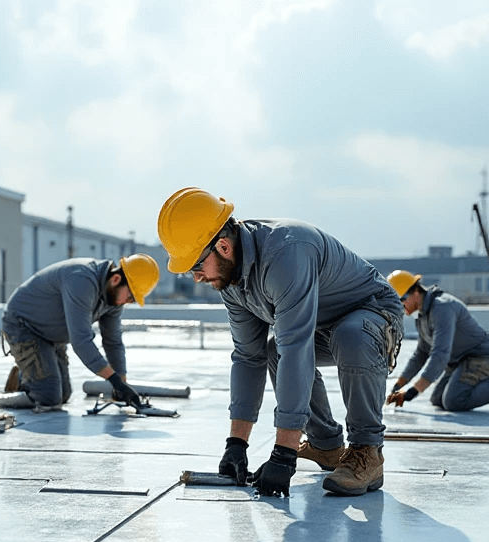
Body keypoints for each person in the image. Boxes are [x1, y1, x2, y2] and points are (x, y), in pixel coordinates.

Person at [157, 187, 404, 497]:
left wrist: (284, 455)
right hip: (321, 324)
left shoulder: (286, 253)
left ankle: (367, 451)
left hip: (372, 313)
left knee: (349, 335)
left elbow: (297, 348)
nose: (196, 278)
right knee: (273, 352)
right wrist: (236, 444)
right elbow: (248, 357)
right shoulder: (231, 280)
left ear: (222, 246)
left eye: (195, 266)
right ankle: (326, 445)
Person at [1, 254, 160, 408]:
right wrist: (114, 381)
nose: (128, 302)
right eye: (131, 296)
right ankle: (9, 392)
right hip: (23, 325)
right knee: (48, 397)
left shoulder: (113, 298)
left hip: (51, 335)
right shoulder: (82, 280)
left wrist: (122, 383)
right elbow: (81, 341)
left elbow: (113, 342)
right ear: (116, 279)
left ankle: (28, 374)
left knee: (63, 395)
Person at [385, 270, 489, 412]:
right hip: (460, 362)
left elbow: (440, 354)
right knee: (438, 400)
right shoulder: (423, 316)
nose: (400, 306)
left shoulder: (442, 308)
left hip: (482, 358)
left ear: (415, 292)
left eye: (401, 299)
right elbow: (421, 354)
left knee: (453, 401)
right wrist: (399, 386)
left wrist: (414, 391)